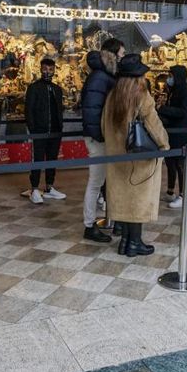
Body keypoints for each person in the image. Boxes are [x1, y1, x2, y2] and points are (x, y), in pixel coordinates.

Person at [102, 54, 169, 257]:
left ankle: (125, 241)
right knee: (138, 199)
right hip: (139, 157)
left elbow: (103, 127)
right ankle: (135, 243)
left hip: (116, 157)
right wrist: (165, 146)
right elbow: (153, 124)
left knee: (124, 198)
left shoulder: (112, 95)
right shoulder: (141, 94)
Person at [80, 38, 125, 242]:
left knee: (107, 181)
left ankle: (113, 221)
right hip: (99, 138)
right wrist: (101, 136)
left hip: (105, 137)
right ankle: (89, 226)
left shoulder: (104, 75)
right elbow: (91, 110)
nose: (123, 57)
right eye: (121, 54)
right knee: (96, 182)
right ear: (113, 55)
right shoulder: (100, 77)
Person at [25, 58, 66, 204]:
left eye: (50, 69)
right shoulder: (34, 88)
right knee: (37, 160)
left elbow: (59, 110)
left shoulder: (57, 89)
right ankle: (34, 189)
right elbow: (28, 111)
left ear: (54, 70)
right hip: (39, 131)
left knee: (52, 160)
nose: (47, 72)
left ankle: (49, 188)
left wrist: (60, 128)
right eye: (45, 69)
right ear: (40, 69)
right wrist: (33, 129)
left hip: (55, 131)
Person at [158, 65, 187, 210]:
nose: (169, 78)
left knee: (180, 164)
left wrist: (163, 109)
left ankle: (184, 195)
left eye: (171, 75)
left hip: (180, 132)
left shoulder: (185, 92)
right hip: (170, 131)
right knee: (170, 161)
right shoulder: (173, 91)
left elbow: (183, 112)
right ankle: (170, 191)